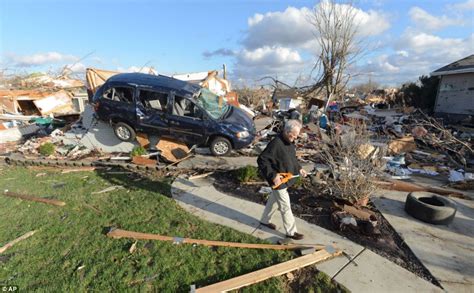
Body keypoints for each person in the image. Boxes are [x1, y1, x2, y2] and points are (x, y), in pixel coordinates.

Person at [257, 119, 307, 240]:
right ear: (286, 131)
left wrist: (299, 168)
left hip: (285, 179)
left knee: (273, 201)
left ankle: (264, 220)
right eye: (293, 135)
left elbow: (292, 158)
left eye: (296, 136)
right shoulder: (276, 143)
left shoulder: (289, 142)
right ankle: (291, 232)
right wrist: (273, 176)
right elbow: (262, 159)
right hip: (278, 180)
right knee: (285, 206)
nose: (295, 138)